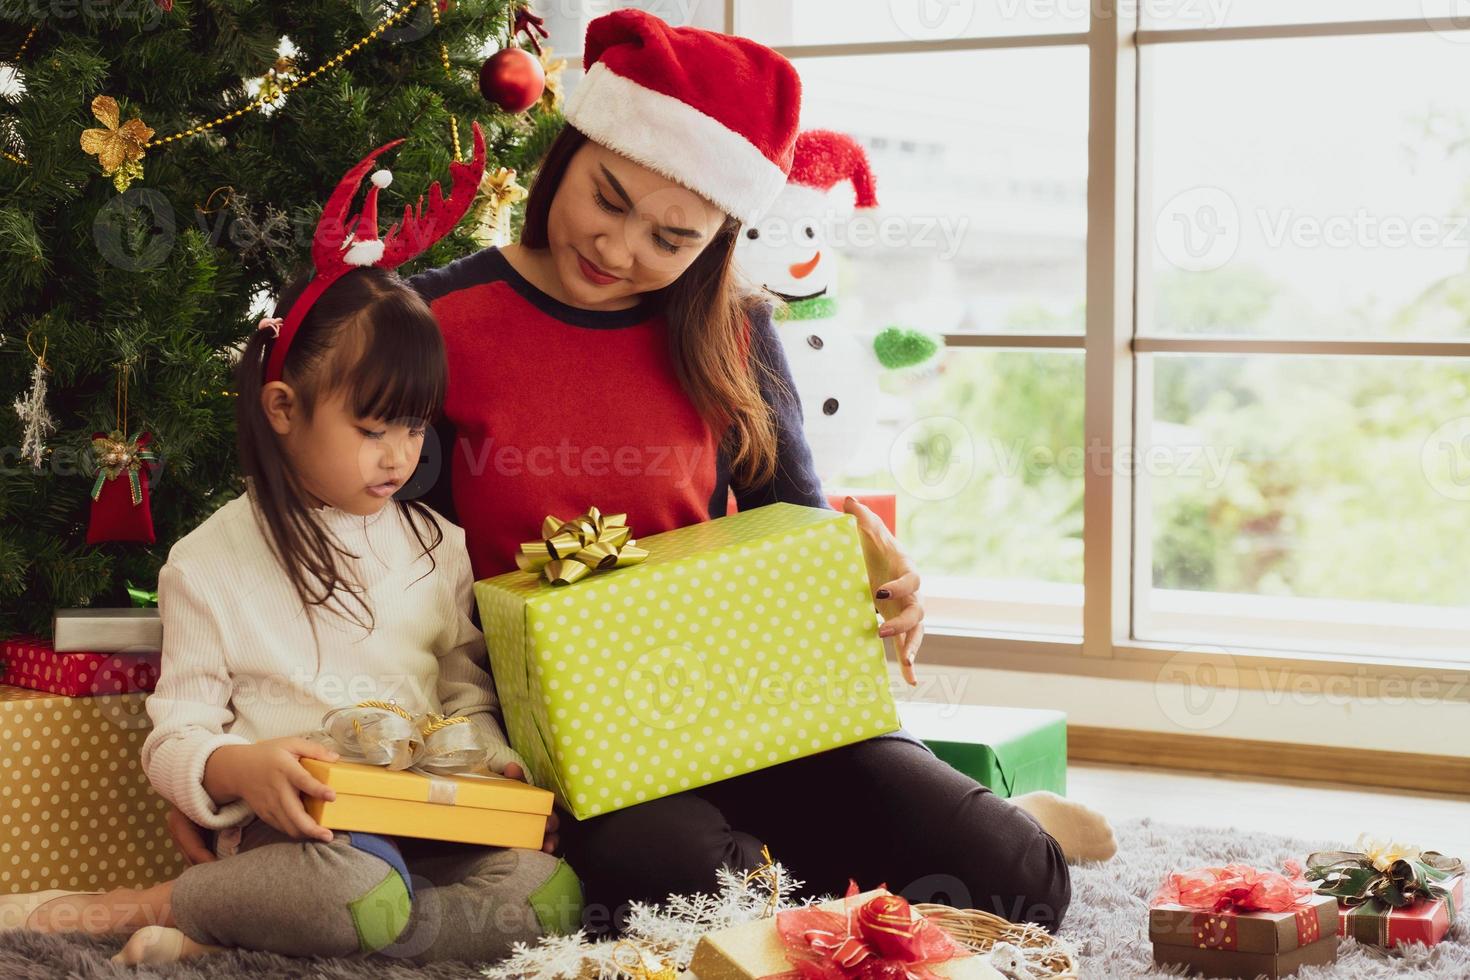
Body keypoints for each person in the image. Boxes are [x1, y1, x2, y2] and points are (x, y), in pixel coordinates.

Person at [168, 7, 1115, 944]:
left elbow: (798, 526)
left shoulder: (737, 330)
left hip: (761, 703)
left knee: (1018, 885)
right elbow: (359, 533)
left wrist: (878, 586)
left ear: (716, 240)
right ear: (569, 153)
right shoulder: (433, 323)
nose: (619, 251)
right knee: (697, 903)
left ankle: (970, 819)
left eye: (673, 239)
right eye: (608, 200)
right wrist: (225, 766)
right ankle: (800, 864)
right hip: (579, 745)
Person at [0, 127, 582, 965]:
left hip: (430, 827)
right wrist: (240, 768)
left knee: (549, 894)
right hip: (304, 841)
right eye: (373, 428)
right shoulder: (209, 563)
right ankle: (162, 906)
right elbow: (176, 736)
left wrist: (493, 767)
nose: (399, 455)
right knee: (347, 892)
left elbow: (464, 692)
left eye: (414, 427)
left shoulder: (438, 546)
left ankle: (266, 940)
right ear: (283, 409)